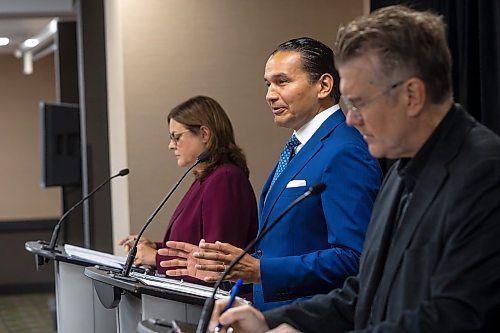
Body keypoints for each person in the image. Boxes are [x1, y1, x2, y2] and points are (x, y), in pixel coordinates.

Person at [206, 5, 500, 332]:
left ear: (412, 95)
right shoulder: (401, 171)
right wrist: (272, 321)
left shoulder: (485, 171)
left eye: (360, 103)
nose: (351, 119)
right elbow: (366, 291)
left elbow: (455, 316)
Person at [159, 38, 382, 310]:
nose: (270, 94)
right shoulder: (298, 146)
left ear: (323, 85)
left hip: (313, 319)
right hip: (274, 316)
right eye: (268, 84)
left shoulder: (344, 150)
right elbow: (283, 245)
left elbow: (355, 258)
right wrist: (224, 265)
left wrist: (261, 270)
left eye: (282, 81)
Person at [118, 95, 258, 276]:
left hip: (216, 302)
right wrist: (156, 248)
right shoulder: (205, 178)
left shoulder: (225, 179)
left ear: (205, 134)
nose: (171, 145)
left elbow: (216, 262)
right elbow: (193, 246)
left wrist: (155, 258)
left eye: (176, 137)